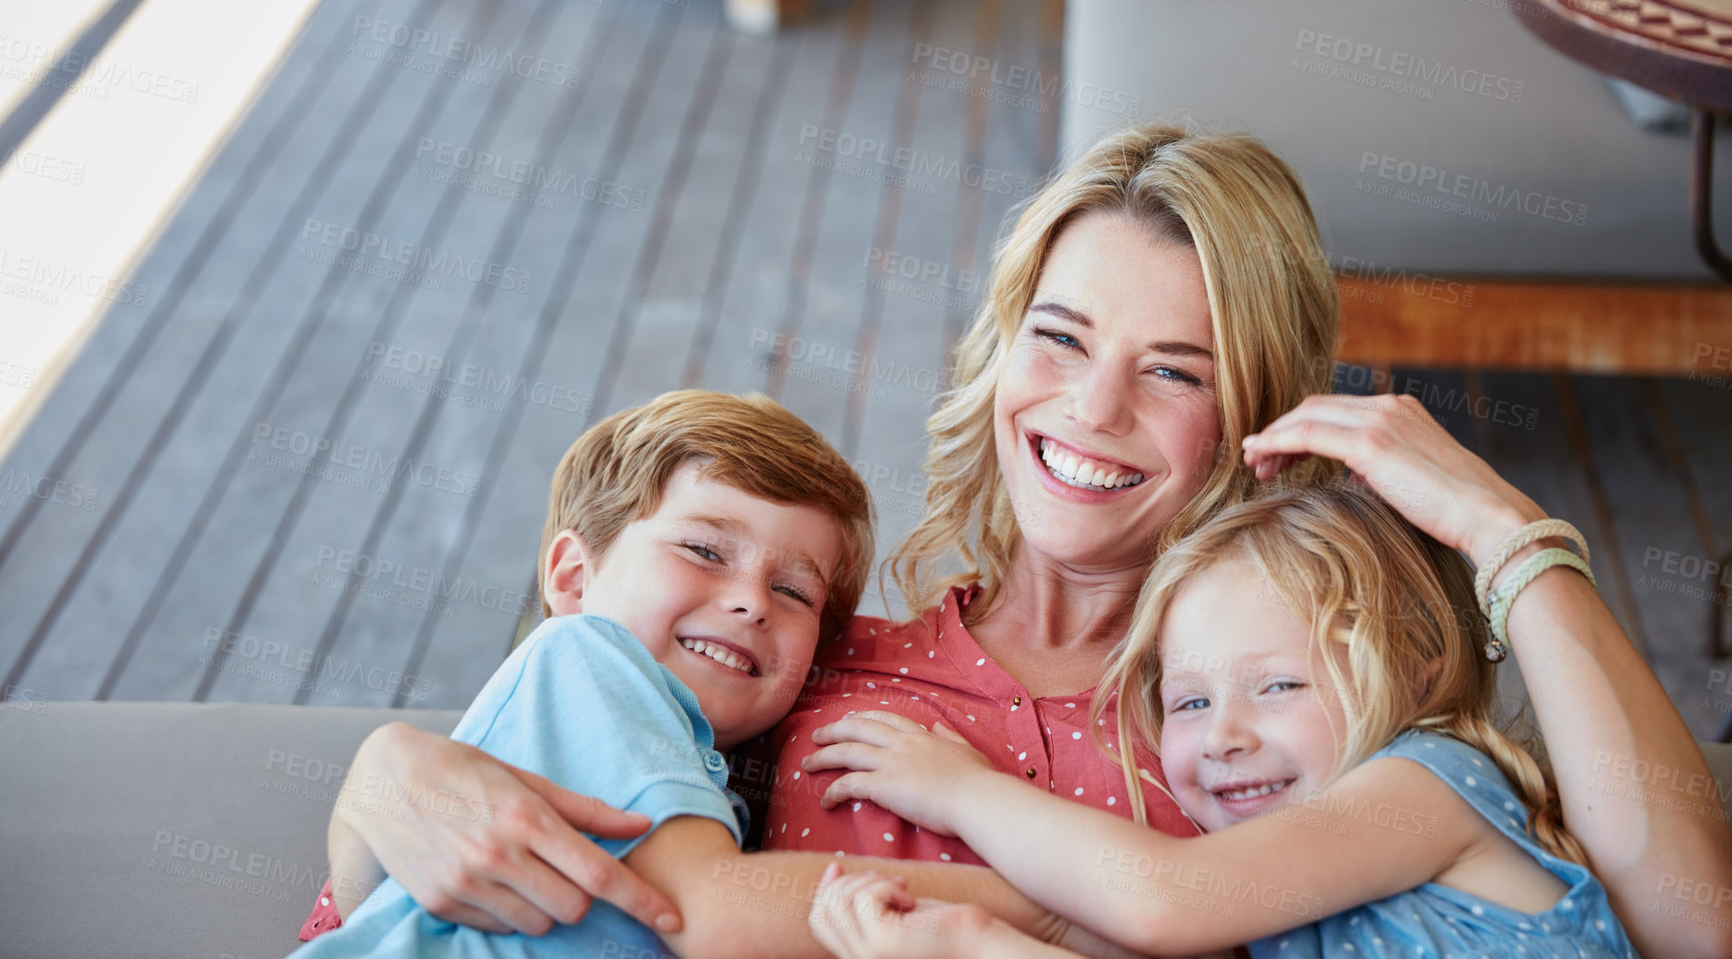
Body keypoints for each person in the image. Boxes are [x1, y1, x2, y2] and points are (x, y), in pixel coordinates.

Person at [303, 124, 1732, 958]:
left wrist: (1507, 530)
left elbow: (1686, 918)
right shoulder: (818, 656)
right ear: (999, 359)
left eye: (1175, 369)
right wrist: (382, 779)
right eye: (1060, 338)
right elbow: (533, 855)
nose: (1092, 409)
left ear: (1258, 414)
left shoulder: (1284, 708)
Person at [296, 390, 1113, 959]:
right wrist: (1045, 912)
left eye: (794, 592)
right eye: (703, 551)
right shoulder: (585, 664)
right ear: (575, 580)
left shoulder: (718, 789)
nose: (751, 602)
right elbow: (710, 913)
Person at [801, 481, 1639, 958]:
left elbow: (1162, 900)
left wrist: (960, 796)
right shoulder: (1291, 893)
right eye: (1191, 702)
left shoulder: (1430, 782)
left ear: (1418, 680)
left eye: (1277, 687)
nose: (1223, 735)